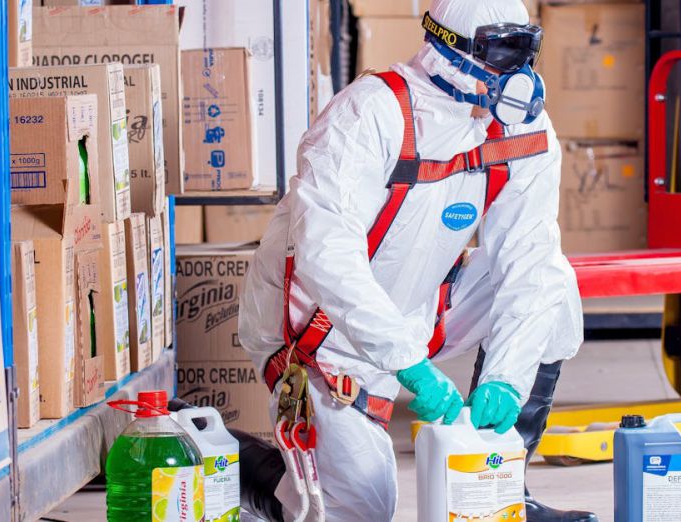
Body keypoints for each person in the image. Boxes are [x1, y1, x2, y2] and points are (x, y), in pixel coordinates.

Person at [237, 0, 592, 520]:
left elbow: (530, 259)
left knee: (555, 284)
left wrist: (506, 378)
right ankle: (237, 464)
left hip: (417, 306)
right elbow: (326, 256)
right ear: (450, 51)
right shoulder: (369, 113)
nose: (518, 75)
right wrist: (409, 364)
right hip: (321, 335)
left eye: (526, 52)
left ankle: (502, 488)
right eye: (502, 53)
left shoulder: (521, 130)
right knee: (363, 510)